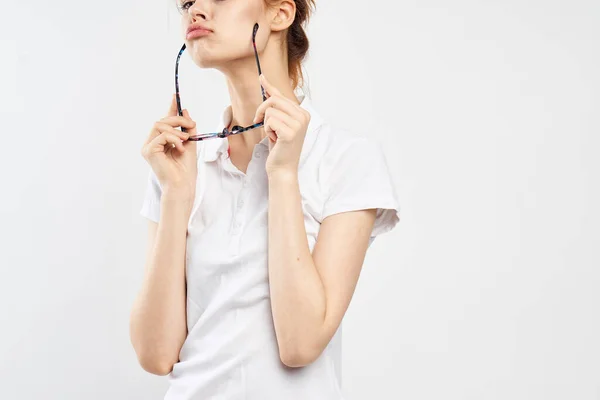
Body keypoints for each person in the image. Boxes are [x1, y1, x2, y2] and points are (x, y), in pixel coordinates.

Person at [130, 0, 401, 398]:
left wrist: (283, 174)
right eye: (187, 2)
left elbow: (301, 343)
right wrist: (176, 195)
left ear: (280, 13)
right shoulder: (181, 166)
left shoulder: (345, 159)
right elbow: (155, 355)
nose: (195, 10)